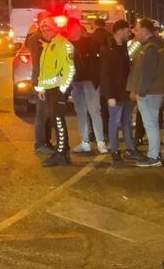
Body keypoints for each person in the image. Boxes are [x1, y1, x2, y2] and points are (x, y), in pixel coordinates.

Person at [100, 20, 143, 165]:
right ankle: (115, 151)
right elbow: (105, 74)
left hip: (124, 92)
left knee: (126, 122)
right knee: (114, 122)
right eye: (127, 30)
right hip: (114, 94)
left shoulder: (122, 47)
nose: (129, 33)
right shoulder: (107, 49)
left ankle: (130, 149)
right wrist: (109, 96)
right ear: (121, 30)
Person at [127, 18, 164, 167]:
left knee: (150, 124)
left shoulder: (150, 48)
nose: (135, 33)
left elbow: (148, 72)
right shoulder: (151, 46)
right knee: (151, 124)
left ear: (144, 31)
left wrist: (141, 91)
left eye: (137, 30)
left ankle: (153, 157)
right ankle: (154, 153)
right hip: (152, 91)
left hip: (149, 92)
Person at [34, 17, 75, 167]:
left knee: (58, 121)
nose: (45, 32)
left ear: (56, 28)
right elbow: (44, 70)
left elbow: (69, 69)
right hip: (50, 90)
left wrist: (63, 89)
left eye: (48, 29)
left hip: (57, 90)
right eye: (43, 29)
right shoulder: (47, 45)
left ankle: (61, 153)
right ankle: (62, 151)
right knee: (55, 121)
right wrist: (41, 87)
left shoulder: (64, 45)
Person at [67, 18, 108, 154]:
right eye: (71, 28)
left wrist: (98, 78)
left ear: (79, 28)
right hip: (75, 81)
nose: (73, 31)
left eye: (75, 28)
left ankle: (100, 141)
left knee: (94, 111)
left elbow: (99, 60)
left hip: (90, 81)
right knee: (81, 112)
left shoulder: (90, 42)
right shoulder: (66, 45)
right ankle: (85, 142)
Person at [26, 11, 54, 154]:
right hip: (40, 81)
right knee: (42, 114)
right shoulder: (36, 39)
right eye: (46, 20)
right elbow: (38, 63)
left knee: (48, 113)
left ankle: (46, 141)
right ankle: (40, 144)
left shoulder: (46, 37)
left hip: (47, 80)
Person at [90, 18, 114, 138]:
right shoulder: (110, 37)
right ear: (104, 25)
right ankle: (107, 130)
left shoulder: (91, 38)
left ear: (94, 25)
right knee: (106, 106)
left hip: (94, 76)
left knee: (93, 106)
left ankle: (94, 132)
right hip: (108, 75)